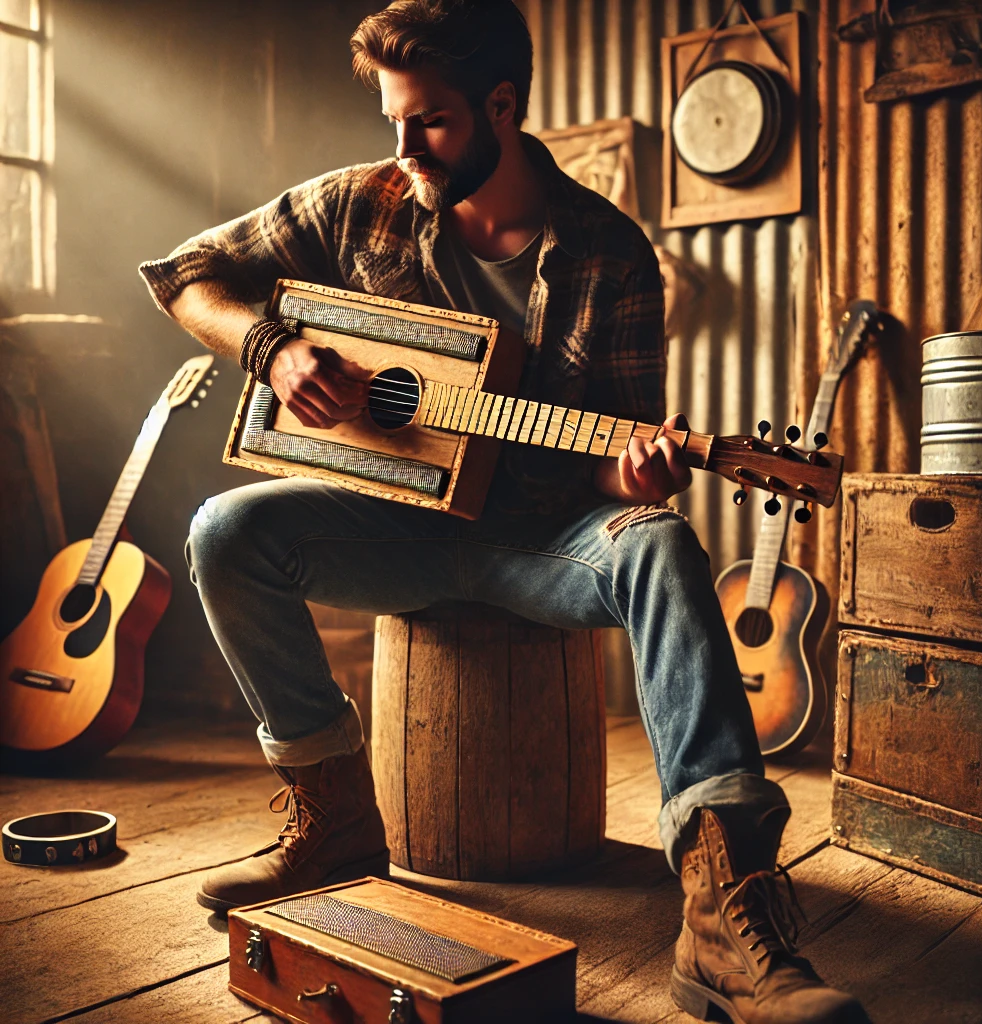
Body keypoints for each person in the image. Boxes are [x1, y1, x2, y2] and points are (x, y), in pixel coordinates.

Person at [140, 3, 867, 1021]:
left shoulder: (609, 252)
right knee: (225, 533)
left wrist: (640, 470)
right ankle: (337, 817)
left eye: (428, 121)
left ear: (501, 105)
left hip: (539, 540)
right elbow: (182, 277)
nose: (403, 146)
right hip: (395, 523)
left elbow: (605, 460)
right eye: (393, 118)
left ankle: (720, 906)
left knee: (659, 541)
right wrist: (273, 349)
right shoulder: (361, 203)